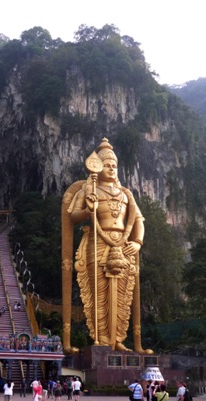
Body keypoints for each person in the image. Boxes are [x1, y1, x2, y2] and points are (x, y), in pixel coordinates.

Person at [62, 137, 152, 354]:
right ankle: (101, 339)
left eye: (114, 165)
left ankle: (119, 339)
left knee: (123, 294)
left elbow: (138, 220)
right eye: (107, 165)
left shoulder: (125, 194)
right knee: (99, 294)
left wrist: (137, 242)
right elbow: (72, 216)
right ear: (98, 167)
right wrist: (88, 210)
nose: (111, 169)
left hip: (123, 245)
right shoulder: (88, 189)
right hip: (97, 243)